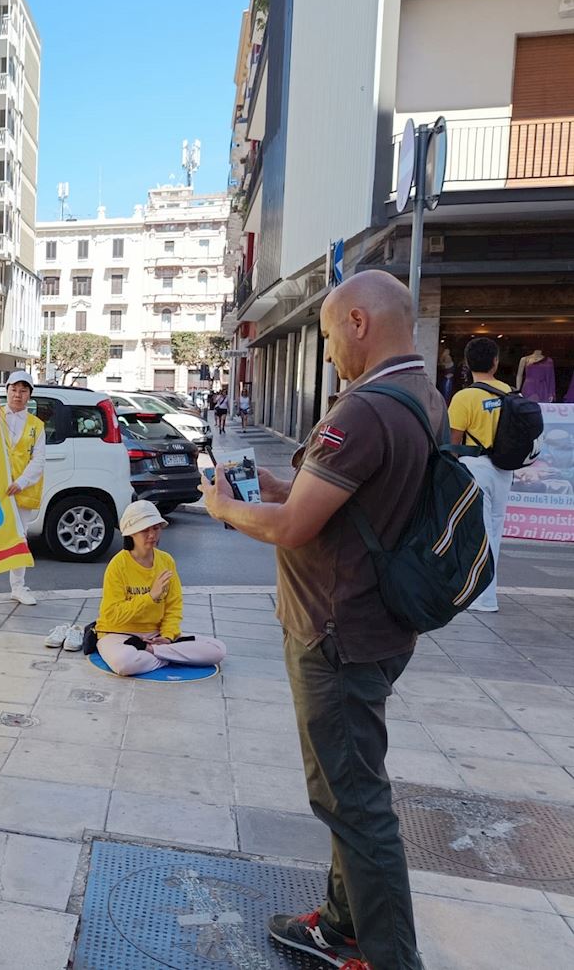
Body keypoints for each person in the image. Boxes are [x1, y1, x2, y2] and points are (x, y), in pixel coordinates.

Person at [199, 270, 433, 970]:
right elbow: (343, 501)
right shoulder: (422, 396)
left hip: (336, 632)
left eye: (330, 336)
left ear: (360, 322)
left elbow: (293, 527)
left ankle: (388, 957)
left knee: (354, 803)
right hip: (373, 624)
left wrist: (224, 507)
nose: (329, 352)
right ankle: (341, 925)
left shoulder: (364, 410)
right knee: (345, 791)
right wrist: (283, 485)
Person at [90, 500, 226, 674]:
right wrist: (150, 597)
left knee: (217, 649)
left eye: (156, 528)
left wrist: (168, 636)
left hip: (155, 636)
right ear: (131, 533)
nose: (152, 535)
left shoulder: (166, 561)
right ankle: (170, 657)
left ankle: (153, 652)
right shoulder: (118, 565)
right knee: (124, 663)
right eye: (144, 530)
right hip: (117, 634)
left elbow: (174, 606)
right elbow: (112, 615)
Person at [448, 337, 512, 613]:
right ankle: (489, 595)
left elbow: (453, 441)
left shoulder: (464, 397)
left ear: (466, 363)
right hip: (504, 470)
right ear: (495, 362)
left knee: (476, 533)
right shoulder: (511, 393)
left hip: (475, 468)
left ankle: (480, 597)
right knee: (494, 532)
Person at [0, 370, 45, 608]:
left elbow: (39, 460)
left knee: (19, 538)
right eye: (14, 389)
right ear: (7, 391)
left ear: (30, 395)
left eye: (23, 390)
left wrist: (21, 482)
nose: (18, 394)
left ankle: (18, 587)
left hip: (20, 490)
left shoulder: (36, 425)